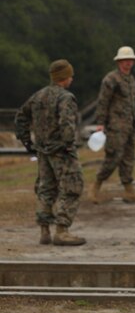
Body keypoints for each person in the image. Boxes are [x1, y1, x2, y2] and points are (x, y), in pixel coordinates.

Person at [14, 59, 86, 246]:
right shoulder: (66, 97)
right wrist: (69, 144)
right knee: (72, 187)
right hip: (61, 151)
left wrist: (28, 142)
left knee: (46, 189)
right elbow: (66, 124)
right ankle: (62, 230)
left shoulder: (38, 96)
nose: (72, 78)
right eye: (70, 75)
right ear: (65, 77)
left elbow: (21, 116)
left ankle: (44, 231)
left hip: (43, 152)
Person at [90, 45, 135, 204]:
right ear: (119, 61)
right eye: (125, 60)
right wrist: (100, 122)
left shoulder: (131, 80)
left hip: (130, 125)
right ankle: (95, 186)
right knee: (113, 157)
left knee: (128, 158)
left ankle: (128, 191)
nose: (128, 63)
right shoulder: (111, 79)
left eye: (130, 60)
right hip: (115, 126)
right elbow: (103, 101)